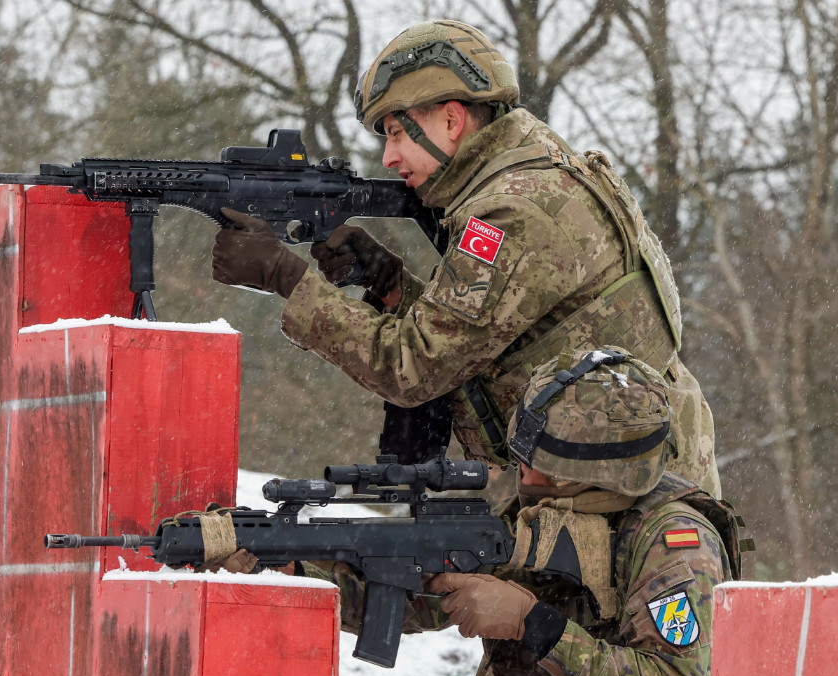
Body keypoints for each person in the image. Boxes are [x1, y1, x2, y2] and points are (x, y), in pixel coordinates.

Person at [210, 19, 720, 498]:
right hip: (622, 482)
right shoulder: (537, 174)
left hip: (623, 504)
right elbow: (498, 335)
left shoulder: (512, 210)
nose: (388, 158)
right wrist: (393, 286)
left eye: (395, 132)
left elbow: (412, 366)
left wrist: (286, 275)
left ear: (451, 120)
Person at [313, 348, 740, 676]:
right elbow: (419, 603)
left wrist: (531, 621)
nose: (518, 463)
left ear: (587, 470)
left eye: (535, 455)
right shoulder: (544, 509)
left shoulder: (677, 543)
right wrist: (296, 571)